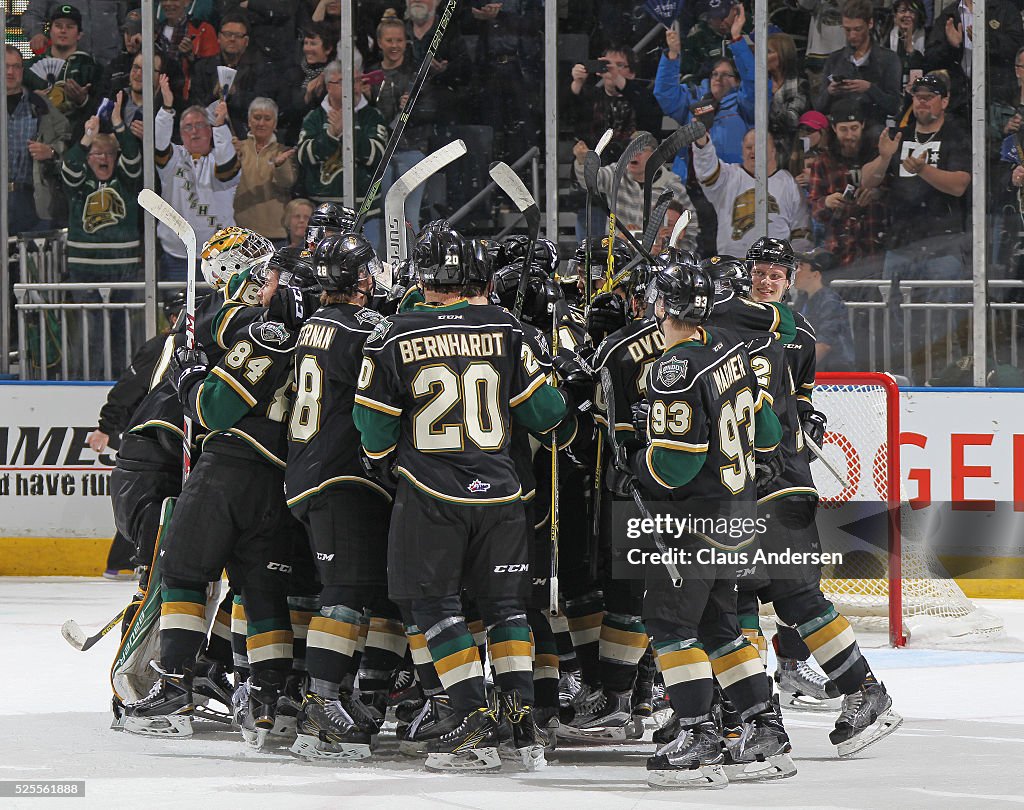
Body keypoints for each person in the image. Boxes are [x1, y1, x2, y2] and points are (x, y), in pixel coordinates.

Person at [353, 226, 572, 771]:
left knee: (433, 606)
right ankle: (521, 724)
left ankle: (471, 719)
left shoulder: (391, 335)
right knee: (505, 607)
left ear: (423, 276)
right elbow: (546, 416)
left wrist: (384, 462)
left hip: (431, 495)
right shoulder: (508, 330)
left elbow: (371, 425)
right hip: (502, 495)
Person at [609, 258, 793, 788]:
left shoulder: (673, 367)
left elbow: (675, 466)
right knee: (720, 628)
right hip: (738, 517)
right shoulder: (733, 348)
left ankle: (697, 737)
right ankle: (765, 733)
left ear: (662, 306)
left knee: (669, 626)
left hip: (693, 523)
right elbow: (769, 431)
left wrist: (636, 464)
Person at [123, 244, 308, 745]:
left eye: (270, 277)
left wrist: (190, 376)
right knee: (262, 589)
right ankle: (270, 700)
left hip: (231, 467)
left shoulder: (265, 331)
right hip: (285, 478)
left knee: (183, 569)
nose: (263, 282)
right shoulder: (320, 334)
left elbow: (214, 409)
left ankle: (176, 685)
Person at [742, 238, 899, 756]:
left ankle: (861, 691)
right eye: (758, 272)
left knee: (795, 594)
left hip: (779, 484)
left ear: (789, 281)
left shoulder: (797, 331)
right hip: (743, 486)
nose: (766, 281)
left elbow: (802, 390)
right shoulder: (726, 327)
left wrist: (808, 415)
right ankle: (752, 709)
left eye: (775, 274)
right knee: (738, 596)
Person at [285, 234, 394, 760]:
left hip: (309, 473)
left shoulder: (311, 325)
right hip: (342, 476)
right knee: (346, 591)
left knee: (352, 587)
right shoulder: (366, 329)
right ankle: (320, 703)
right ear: (361, 283)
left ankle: (335, 692)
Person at [859, 73, 971, 378]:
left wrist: (923, 169)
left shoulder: (956, 135)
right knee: (894, 320)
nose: (921, 101)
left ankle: (942, 377)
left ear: (944, 101)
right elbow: (867, 180)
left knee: (941, 319)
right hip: (901, 244)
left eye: (929, 96)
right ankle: (898, 376)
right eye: (917, 95)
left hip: (943, 244)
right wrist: (884, 159)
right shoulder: (899, 135)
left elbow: (960, 184)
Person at [89, 292, 183, 580]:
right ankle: (132, 561)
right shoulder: (160, 347)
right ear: (173, 318)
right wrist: (106, 426)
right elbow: (128, 388)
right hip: (149, 437)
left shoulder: (196, 346)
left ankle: (135, 560)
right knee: (150, 498)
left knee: (162, 498)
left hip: (172, 437)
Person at [60, 96, 142, 379]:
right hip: (85, 268)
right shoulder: (80, 181)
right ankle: (88, 382)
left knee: (122, 331)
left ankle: (121, 383)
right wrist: (87, 137)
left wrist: (118, 125)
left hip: (123, 266)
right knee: (89, 332)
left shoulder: (126, 178)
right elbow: (68, 166)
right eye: (97, 153)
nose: (104, 158)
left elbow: (133, 156)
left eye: (109, 153)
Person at [297, 59, 388, 254]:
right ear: (330, 86)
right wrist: (330, 135)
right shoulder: (314, 118)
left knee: (367, 266)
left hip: (365, 212)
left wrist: (349, 132)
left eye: (356, 81)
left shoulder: (372, 116)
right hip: (323, 213)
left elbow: (379, 156)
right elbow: (303, 156)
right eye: (346, 82)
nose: (355, 87)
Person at [154, 75, 240, 281]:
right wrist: (166, 108)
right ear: (181, 134)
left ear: (210, 131)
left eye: (200, 125)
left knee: (217, 312)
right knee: (176, 312)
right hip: (176, 255)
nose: (194, 132)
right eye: (188, 127)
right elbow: (158, 142)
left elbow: (227, 163)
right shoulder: (173, 158)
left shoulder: (220, 160)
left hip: (219, 256)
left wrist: (221, 126)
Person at [654, 13, 756, 180]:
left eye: (725, 74)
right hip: (690, 183)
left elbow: (754, 82)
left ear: (737, 81)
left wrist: (737, 39)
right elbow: (664, 93)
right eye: (715, 74)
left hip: (728, 183)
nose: (718, 78)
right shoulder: (694, 98)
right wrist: (672, 55)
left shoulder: (744, 104)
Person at [571, 132, 699, 254]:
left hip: (657, 261)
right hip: (620, 257)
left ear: (655, 155)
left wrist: (675, 248)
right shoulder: (617, 174)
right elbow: (591, 180)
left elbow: (691, 225)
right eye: (631, 150)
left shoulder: (672, 186)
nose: (634, 154)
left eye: (641, 150)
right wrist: (584, 162)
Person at [691, 127, 811, 256]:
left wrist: (796, 262)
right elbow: (707, 170)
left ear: (773, 151)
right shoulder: (727, 177)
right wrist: (703, 144)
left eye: (759, 146)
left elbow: (801, 229)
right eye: (748, 147)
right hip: (734, 265)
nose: (753, 151)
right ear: (742, 151)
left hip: (774, 267)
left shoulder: (788, 182)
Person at [369, 12, 430, 237]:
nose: (394, 45)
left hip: (412, 150)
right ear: (379, 43)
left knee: (409, 218)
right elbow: (373, 119)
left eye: (399, 40)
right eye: (389, 40)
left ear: (406, 42)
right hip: (382, 155)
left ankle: (411, 263)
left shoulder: (417, 74)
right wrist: (366, 98)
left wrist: (415, 109)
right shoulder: (371, 75)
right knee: (382, 214)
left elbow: (432, 110)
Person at [807, 98, 886, 270]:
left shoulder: (878, 156)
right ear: (834, 128)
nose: (849, 135)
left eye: (854, 128)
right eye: (843, 129)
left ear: (863, 125)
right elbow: (814, 209)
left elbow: (894, 193)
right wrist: (826, 202)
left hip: (876, 248)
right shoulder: (822, 162)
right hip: (839, 250)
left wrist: (877, 195)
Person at [4, 45, 69, 236]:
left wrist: (50, 152)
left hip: (30, 199)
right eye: (5, 66)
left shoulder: (40, 105)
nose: (10, 72)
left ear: (22, 72)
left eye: (16, 67)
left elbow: (67, 139)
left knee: (29, 261)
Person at [814, 0, 902, 130]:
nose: (852, 35)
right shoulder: (834, 59)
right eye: (847, 30)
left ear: (870, 23)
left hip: (872, 125)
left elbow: (894, 106)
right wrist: (830, 92)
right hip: (840, 126)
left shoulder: (888, 59)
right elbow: (819, 107)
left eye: (858, 29)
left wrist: (869, 88)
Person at [23, 4, 103, 140]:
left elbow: (101, 112)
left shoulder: (92, 68)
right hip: (38, 139)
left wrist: (83, 101)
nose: (63, 31)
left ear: (79, 35)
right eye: (58, 26)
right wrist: (31, 100)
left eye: (70, 27)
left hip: (78, 139)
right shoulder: (30, 68)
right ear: (50, 31)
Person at [188, 12, 270, 137]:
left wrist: (235, 94)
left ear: (246, 41)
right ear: (219, 38)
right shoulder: (201, 67)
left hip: (245, 136)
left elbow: (262, 106)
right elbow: (194, 106)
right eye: (227, 34)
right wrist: (213, 95)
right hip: (207, 135)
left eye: (237, 35)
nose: (232, 39)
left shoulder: (260, 69)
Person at [232, 97, 297, 242]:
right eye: (257, 117)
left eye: (267, 118)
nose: (261, 123)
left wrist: (279, 165)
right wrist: (229, 155)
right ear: (249, 121)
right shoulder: (237, 148)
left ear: (275, 124)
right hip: (240, 233)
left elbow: (287, 182)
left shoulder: (283, 151)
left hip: (275, 234)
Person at [792, 249, 856, 371]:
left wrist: (797, 369)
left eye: (801, 267)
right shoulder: (803, 299)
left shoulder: (830, 302)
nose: (795, 271)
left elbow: (824, 344)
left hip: (833, 376)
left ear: (815, 275)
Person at [22, 0, 130, 65]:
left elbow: (125, 19)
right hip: (65, 66)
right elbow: (32, 14)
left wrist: (122, 41)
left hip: (110, 63)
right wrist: (36, 33)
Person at [153, 0, 218, 102]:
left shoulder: (204, 30)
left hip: (188, 100)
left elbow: (211, 72)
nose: (169, 3)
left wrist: (191, 57)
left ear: (187, 2)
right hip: (155, 97)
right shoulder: (154, 31)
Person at [767, 32, 810, 145]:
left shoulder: (800, 85)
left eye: (768, 52)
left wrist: (768, 103)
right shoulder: (759, 84)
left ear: (783, 55)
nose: (762, 56)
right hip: (763, 145)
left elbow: (792, 119)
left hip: (788, 147)